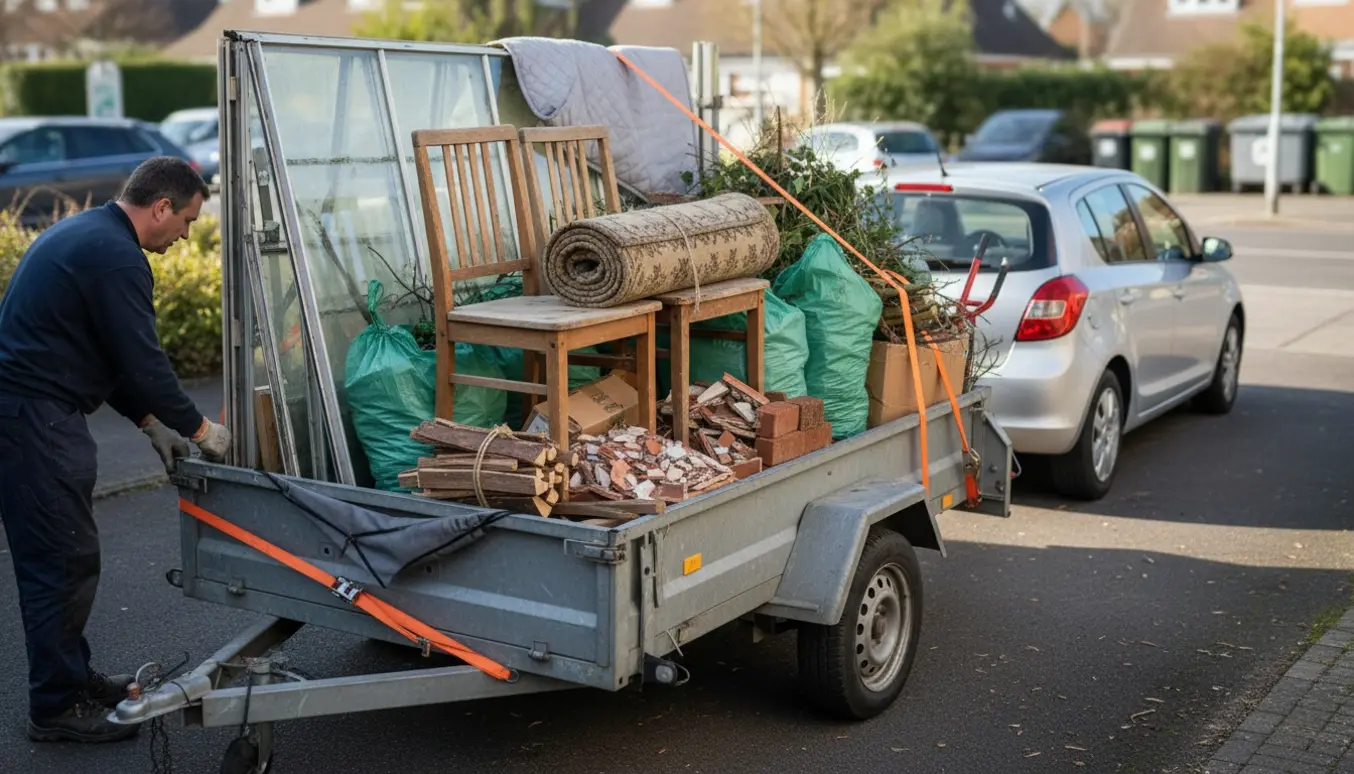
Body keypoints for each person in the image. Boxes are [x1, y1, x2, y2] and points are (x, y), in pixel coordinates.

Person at [0, 156, 232, 743]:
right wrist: (201, 431)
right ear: (160, 208)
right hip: (34, 419)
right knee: (59, 562)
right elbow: (142, 363)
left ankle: (71, 680)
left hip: (32, 412)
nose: (184, 236)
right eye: (186, 221)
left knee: (67, 556)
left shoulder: (93, 235)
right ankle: (55, 709)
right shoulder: (117, 257)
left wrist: (152, 421)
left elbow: (108, 357)